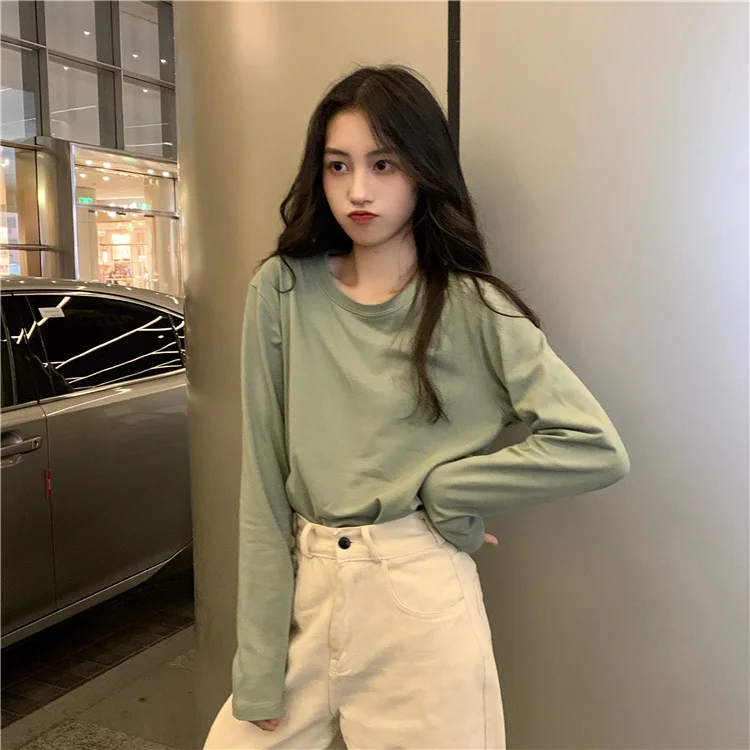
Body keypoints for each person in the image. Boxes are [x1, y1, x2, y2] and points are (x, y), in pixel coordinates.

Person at [204, 65, 630, 750]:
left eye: (384, 164)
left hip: (417, 599)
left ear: (423, 171)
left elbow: (593, 446)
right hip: (307, 598)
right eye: (338, 166)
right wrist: (258, 664)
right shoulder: (281, 291)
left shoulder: (471, 306)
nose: (358, 190)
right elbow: (263, 487)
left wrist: (451, 489)